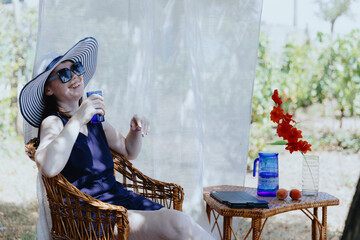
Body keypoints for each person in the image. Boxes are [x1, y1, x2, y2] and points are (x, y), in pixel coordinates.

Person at [19, 37, 214, 240]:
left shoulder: (95, 120)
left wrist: (135, 130)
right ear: (49, 89)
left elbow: (129, 150)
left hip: (120, 200)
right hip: (92, 215)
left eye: (76, 68)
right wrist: (77, 119)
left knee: (183, 222)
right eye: (64, 74)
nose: (74, 76)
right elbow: (49, 167)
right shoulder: (53, 123)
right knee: (179, 224)